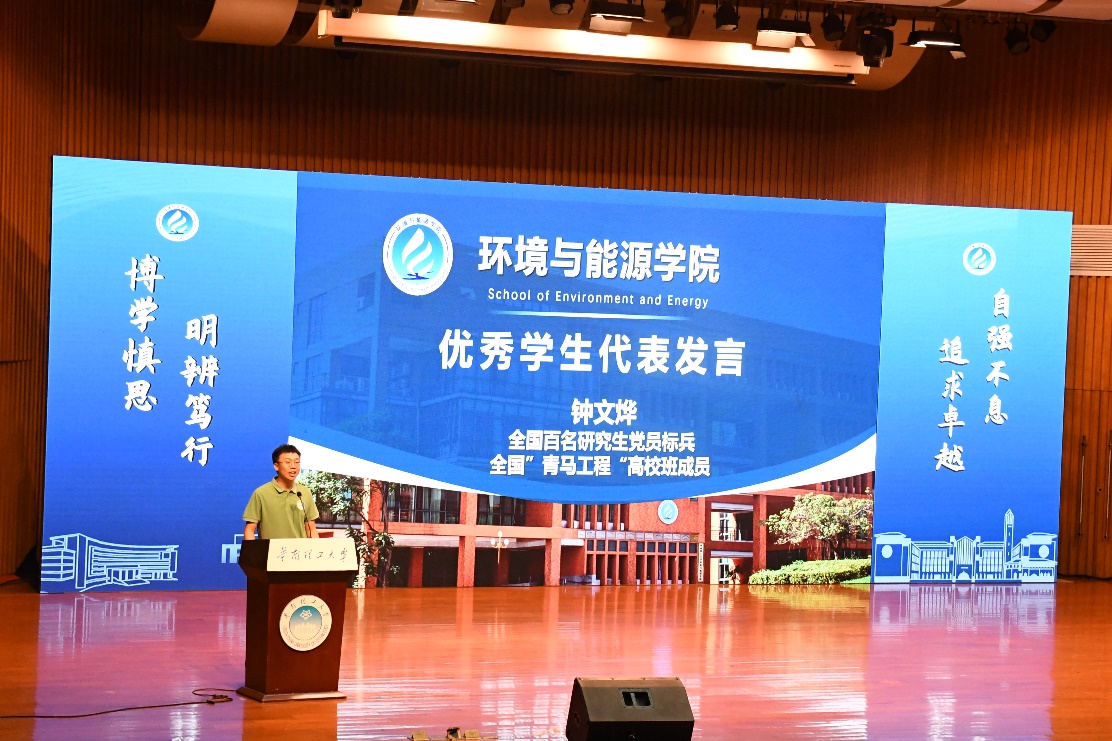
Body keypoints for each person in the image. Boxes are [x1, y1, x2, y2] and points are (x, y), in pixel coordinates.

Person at [243, 444, 319, 540]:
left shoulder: (305, 492)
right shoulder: (261, 493)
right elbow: (249, 530)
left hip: (300, 549)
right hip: (271, 549)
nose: (293, 466)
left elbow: (311, 529)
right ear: (276, 466)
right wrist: (253, 549)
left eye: (297, 462)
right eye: (288, 462)